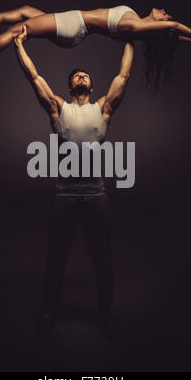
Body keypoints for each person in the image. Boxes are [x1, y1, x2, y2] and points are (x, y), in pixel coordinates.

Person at [13, 24, 134, 337]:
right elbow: (33, 76)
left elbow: (123, 76)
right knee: (55, 260)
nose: (81, 76)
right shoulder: (58, 108)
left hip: (96, 197)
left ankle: (105, 312)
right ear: (70, 87)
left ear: (91, 87)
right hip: (64, 198)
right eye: (76, 76)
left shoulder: (103, 109)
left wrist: (130, 39)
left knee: (102, 259)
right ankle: (50, 311)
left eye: (85, 75)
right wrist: (18, 46)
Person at [0, 4, 191, 91]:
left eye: (166, 15)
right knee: (26, 11)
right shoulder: (138, 23)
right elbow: (172, 36)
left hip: (73, 24)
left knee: (15, 32)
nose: (164, 11)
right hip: (74, 27)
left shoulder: (137, 28)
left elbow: (174, 30)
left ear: (163, 22)